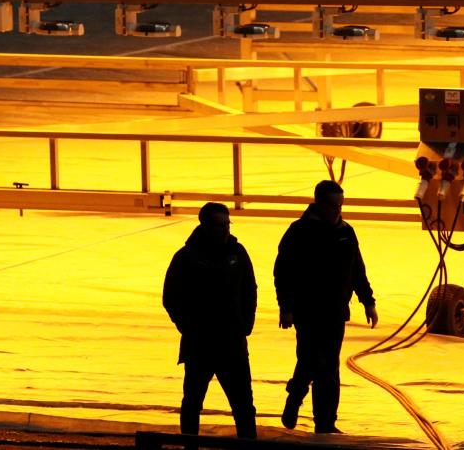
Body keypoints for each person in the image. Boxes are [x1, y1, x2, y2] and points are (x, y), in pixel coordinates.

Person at [274, 180, 378, 434]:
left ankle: (325, 421)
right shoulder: (299, 232)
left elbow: (356, 269)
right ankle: (297, 396)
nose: (337, 211)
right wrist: (286, 307)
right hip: (307, 311)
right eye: (333, 206)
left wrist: (368, 300)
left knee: (328, 366)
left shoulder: (346, 232)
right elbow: (283, 272)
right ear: (319, 203)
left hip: (334, 312)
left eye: (340, 206)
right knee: (311, 361)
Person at [162, 202, 258, 440]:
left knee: (244, 404)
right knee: (193, 401)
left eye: (227, 223)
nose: (225, 229)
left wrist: (245, 324)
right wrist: (187, 326)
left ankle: (248, 446)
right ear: (205, 226)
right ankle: (189, 445)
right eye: (219, 225)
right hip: (200, 343)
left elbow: (250, 289)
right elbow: (171, 296)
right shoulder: (187, 257)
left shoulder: (238, 253)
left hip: (232, 342)